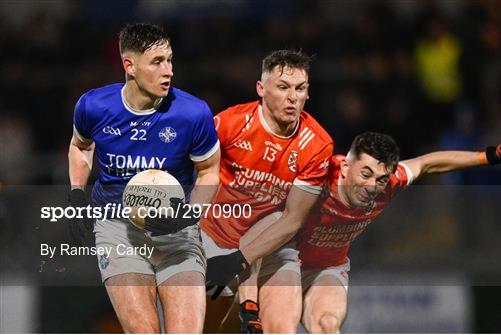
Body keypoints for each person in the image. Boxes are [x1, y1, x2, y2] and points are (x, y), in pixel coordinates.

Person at [297, 131, 501, 333]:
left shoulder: (389, 182)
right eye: (366, 174)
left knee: (327, 325)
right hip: (280, 261)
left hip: (326, 268)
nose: (371, 187)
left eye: (380, 178)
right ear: (347, 167)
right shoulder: (319, 175)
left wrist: (487, 157)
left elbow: (426, 163)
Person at [68, 23, 220, 333]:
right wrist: (76, 194)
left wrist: (189, 216)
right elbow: (80, 147)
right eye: (157, 62)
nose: (169, 71)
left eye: (170, 60)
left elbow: (209, 170)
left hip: (175, 232)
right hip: (118, 231)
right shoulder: (93, 106)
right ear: (130, 65)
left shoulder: (192, 113)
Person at [200, 49, 334, 333]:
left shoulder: (318, 145)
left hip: (273, 245)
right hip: (215, 239)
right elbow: (197, 173)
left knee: (281, 328)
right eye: (283, 87)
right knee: (211, 328)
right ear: (261, 89)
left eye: (300, 89)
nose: (293, 97)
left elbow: (291, 220)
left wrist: (239, 260)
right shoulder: (229, 123)